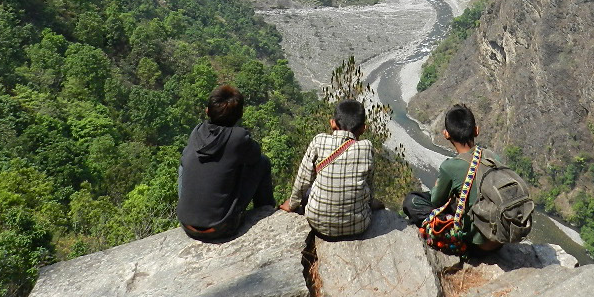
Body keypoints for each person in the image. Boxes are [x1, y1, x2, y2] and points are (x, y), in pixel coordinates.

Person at [177, 85, 275, 241]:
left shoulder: (197, 132)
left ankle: (192, 208)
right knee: (262, 162)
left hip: (186, 225)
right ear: (240, 114)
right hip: (221, 227)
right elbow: (255, 156)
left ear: (207, 111)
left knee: (184, 164)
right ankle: (265, 210)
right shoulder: (238, 137)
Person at [403, 104, 502, 251]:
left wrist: (439, 186)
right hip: (498, 240)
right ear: (476, 130)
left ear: (446, 134)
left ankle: (448, 228)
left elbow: (436, 201)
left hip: (475, 245)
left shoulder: (450, 167)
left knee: (412, 200)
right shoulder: (493, 157)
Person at [280, 99, 379, 238]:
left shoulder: (319, 141)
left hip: (317, 222)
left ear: (332, 123)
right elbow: (369, 184)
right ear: (363, 128)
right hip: (357, 225)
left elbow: (303, 180)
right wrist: (370, 203)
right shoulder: (367, 147)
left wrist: (292, 204)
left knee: (310, 189)